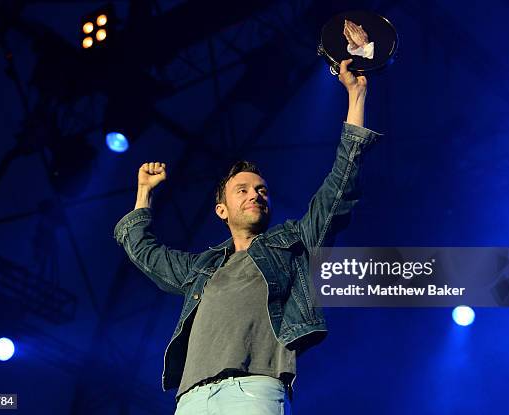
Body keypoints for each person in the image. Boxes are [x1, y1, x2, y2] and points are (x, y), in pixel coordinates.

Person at [113, 59, 380, 414]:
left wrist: (356, 95)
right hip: (191, 398)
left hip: (253, 389)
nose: (255, 194)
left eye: (262, 190)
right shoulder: (203, 269)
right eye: (242, 190)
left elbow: (338, 188)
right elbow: (146, 253)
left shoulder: (293, 244)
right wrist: (143, 194)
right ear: (221, 210)